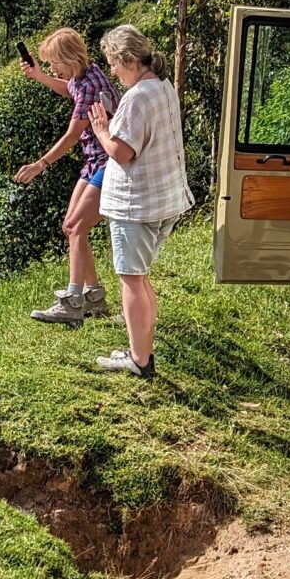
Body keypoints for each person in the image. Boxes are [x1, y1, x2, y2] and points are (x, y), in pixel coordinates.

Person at [86, 24, 191, 379]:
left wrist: (102, 129)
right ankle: (140, 349)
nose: (112, 72)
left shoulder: (136, 97)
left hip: (137, 206)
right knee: (141, 279)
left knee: (130, 280)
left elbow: (122, 152)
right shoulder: (162, 87)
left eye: (113, 64)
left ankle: (140, 361)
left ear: (128, 60)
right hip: (162, 200)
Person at [15, 28, 120, 326]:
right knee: (71, 227)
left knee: (75, 227)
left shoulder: (89, 85)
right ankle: (94, 298)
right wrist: (39, 77)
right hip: (95, 162)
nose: (52, 69)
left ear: (68, 58)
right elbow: (69, 89)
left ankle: (74, 301)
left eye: (53, 64)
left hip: (107, 162)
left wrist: (40, 164)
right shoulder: (86, 75)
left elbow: (73, 135)